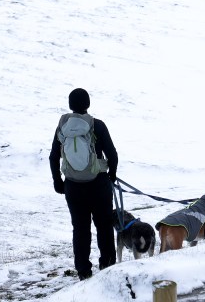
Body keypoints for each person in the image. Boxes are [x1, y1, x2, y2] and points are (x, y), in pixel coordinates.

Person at [49, 87, 118, 279]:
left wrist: (58, 182)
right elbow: (112, 155)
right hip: (99, 184)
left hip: (73, 186)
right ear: (88, 104)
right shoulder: (98, 125)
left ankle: (83, 271)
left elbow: (53, 157)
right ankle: (107, 264)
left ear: (70, 105)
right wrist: (111, 175)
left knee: (80, 228)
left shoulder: (62, 128)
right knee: (104, 226)